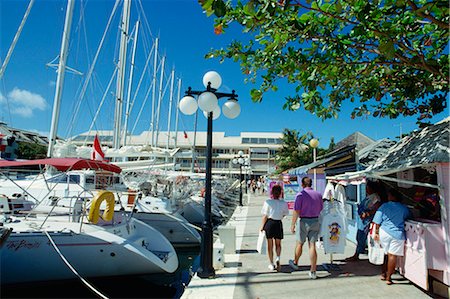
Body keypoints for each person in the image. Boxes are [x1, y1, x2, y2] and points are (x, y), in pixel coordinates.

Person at [373, 188, 410, 285]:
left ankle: (383, 274)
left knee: (385, 254)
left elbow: (377, 221)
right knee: (392, 255)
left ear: (392, 196)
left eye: (389, 195)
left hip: (384, 232)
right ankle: (389, 278)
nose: (388, 197)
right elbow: (408, 217)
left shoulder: (384, 206)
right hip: (397, 234)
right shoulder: (403, 208)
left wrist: (376, 233)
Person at [289, 177, 323, 279]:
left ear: (302, 185)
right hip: (315, 220)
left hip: (304, 221)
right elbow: (321, 208)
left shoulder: (300, 195)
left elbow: (296, 211)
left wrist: (293, 224)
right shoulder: (318, 195)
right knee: (312, 245)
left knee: (299, 243)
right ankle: (313, 270)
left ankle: (295, 262)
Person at [346, 180, 383, 261]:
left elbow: (377, 208)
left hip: (368, 220)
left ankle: (357, 255)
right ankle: (358, 252)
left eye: (367, 187)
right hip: (363, 221)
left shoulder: (375, 197)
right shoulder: (369, 197)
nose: (366, 189)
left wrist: (368, 213)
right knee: (359, 236)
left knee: (362, 237)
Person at [260, 184, 289, 272]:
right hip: (278, 223)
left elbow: (265, 216)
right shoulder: (283, 203)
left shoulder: (268, 202)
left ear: (272, 192)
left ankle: (271, 263)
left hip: (269, 223)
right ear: (280, 193)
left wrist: (262, 227)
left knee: (270, 245)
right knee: (278, 244)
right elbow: (285, 214)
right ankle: (278, 258)